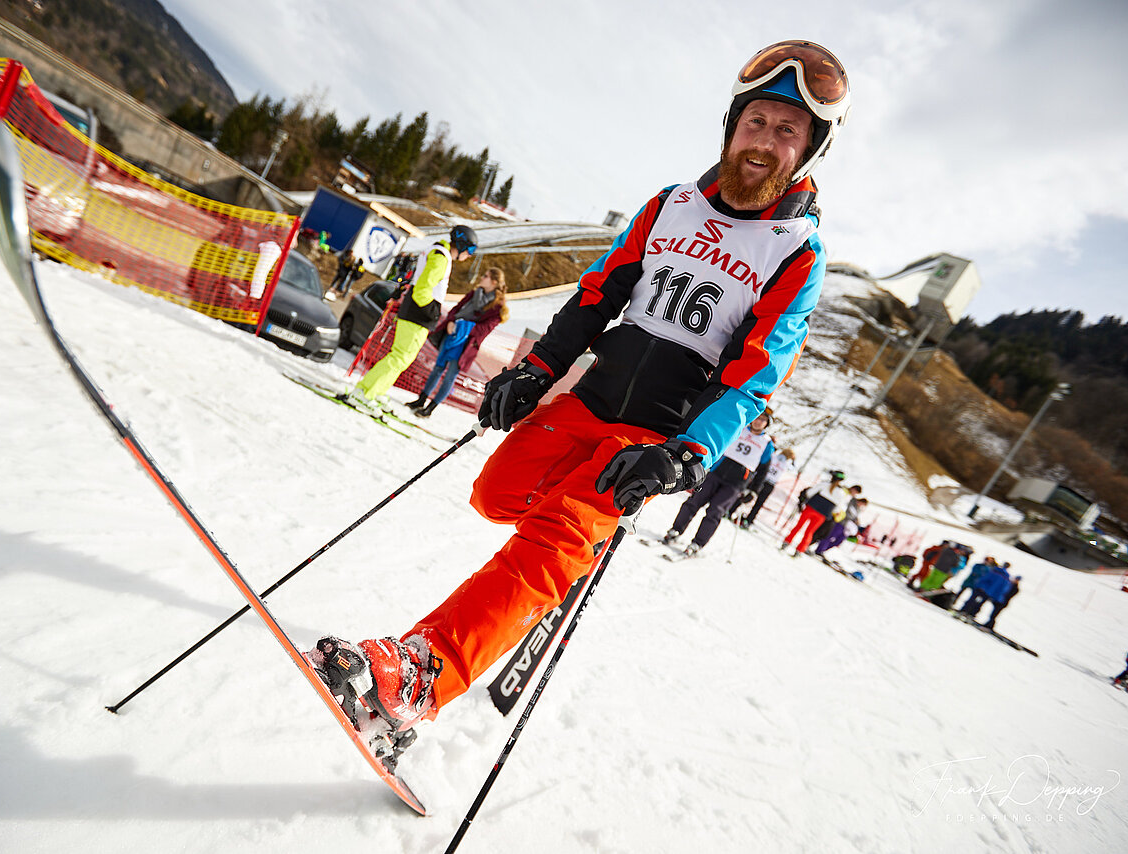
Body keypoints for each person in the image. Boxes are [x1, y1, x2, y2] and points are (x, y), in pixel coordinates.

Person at [309, 41, 851, 749]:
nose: (765, 143)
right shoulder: (673, 206)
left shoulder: (796, 248)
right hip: (590, 400)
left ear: (809, 150)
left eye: (787, 132)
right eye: (757, 122)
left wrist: (687, 455)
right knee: (497, 493)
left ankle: (421, 675)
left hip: (650, 437)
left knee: (556, 534)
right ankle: (561, 562)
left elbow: (755, 375)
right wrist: (537, 370)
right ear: (731, 125)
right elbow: (598, 295)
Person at [341, 225, 478, 413]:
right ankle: (365, 392)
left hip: (416, 312)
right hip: (419, 314)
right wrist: (431, 312)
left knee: (401, 358)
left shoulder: (438, 251)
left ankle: (376, 390)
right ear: (462, 244)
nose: (470, 255)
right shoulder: (441, 257)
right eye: (470, 249)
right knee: (400, 357)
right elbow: (423, 288)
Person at [661, 408, 775, 556]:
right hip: (717, 472)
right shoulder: (739, 429)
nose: (758, 421)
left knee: (715, 512)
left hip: (736, 482)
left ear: (767, 424)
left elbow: (763, 470)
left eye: (763, 420)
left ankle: (697, 543)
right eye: (758, 418)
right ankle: (676, 530)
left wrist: (753, 490)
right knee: (694, 502)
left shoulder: (767, 443)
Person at [407, 267, 509, 417]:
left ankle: (430, 409)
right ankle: (421, 400)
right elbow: (457, 308)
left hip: (466, 345)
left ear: (494, 282)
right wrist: (451, 321)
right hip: (450, 334)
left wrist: (461, 326)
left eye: (485, 276)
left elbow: (484, 329)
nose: (481, 277)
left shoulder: (497, 308)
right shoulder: (475, 293)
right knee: (437, 368)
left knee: (450, 376)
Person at [781, 470, 848, 556]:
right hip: (822, 514)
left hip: (811, 508)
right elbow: (837, 509)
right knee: (810, 532)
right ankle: (800, 550)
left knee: (798, 526)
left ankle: (786, 542)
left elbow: (809, 493)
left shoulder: (824, 484)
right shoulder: (841, 493)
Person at [739, 446, 795, 528]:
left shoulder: (773, 456)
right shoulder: (786, 464)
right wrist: (794, 461)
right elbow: (793, 469)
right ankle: (749, 520)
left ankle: (732, 510)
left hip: (762, 479)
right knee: (758, 504)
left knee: (747, 495)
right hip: (770, 484)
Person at [815, 490, 865, 555]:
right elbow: (845, 510)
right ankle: (819, 549)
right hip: (840, 521)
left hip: (845, 525)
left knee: (838, 541)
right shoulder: (851, 502)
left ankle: (823, 550)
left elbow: (853, 516)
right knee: (830, 536)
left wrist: (855, 520)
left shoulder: (858, 510)